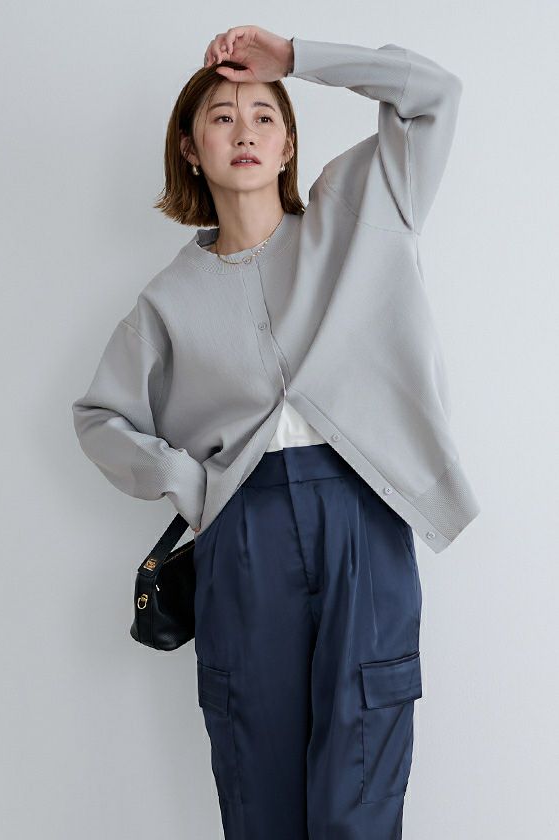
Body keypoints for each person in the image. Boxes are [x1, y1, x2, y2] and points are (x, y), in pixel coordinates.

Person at [72, 24, 479, 839]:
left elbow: (435, 95)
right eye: (221, 118)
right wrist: (188, 483)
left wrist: (295, 59)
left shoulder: (361, 209)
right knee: (258, 785)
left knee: (360, 779)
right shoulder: (167, 300)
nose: (245, 131)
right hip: (243, 531)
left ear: (289, 143)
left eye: (264, 114)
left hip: (363, 513)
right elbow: (98, 416)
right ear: (190, 149)